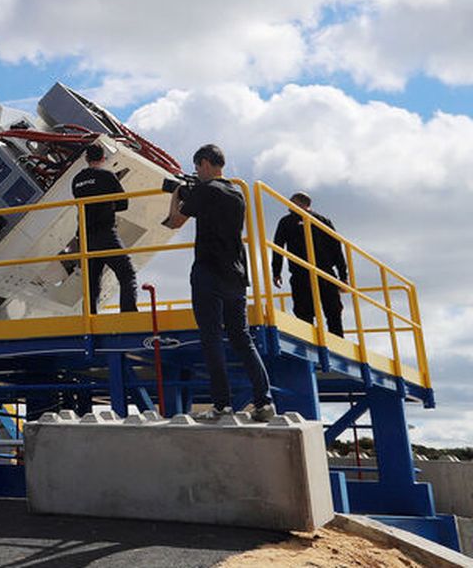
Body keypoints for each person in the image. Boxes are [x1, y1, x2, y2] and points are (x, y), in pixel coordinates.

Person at [164, 145, 274, 421]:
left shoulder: (205, 190)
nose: (198, 173)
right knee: (242, 338)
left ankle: (222, 405)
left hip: (208, 271)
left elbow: (174, 222)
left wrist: (177, 193)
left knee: (211, 336)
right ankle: (264, 401)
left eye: (198, 167)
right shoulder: (237, 193)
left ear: (204, 163)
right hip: (236, 274)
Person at [71, 142, 138, 313]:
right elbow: (123, 203)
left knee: (92, 282)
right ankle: (129, 314)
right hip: (105, 234)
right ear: (103, 158)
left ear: (86, 159)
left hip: (86, 238)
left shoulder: (76, 181)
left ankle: (90, 319)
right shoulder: (107, 176)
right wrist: (108, 206)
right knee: (127, 274)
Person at [271, 192, 347, 337]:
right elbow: (337, 250)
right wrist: (343, 276)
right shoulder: (322, 221)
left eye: (292, 203)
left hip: (311, 273)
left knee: (317, 312)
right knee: (326, 312)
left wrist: (276, 272)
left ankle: (314, 344)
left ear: (301, 203)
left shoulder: (293, 222)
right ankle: (332, 342)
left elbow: (278, 247)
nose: (289, 207)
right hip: (318, 273)